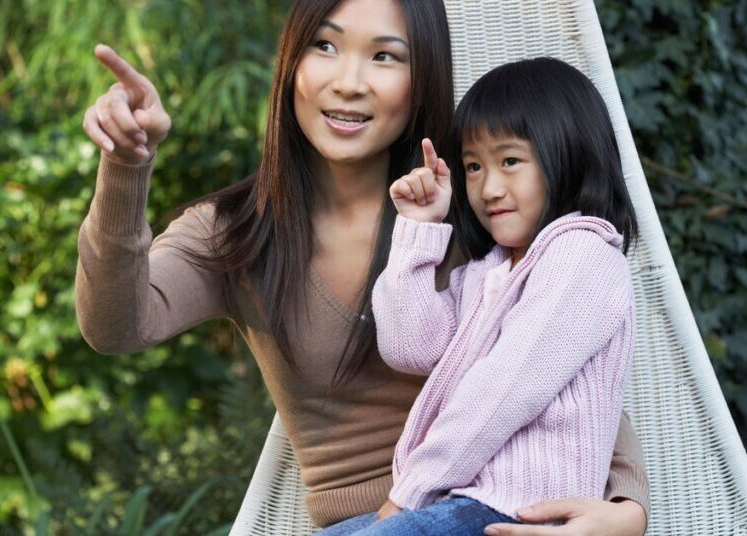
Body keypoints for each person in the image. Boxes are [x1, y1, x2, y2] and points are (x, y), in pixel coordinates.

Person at [76, 1, 650, 534]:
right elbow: (114, 326)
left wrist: (627, 512)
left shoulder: (479, 202)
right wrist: (125, 170)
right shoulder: (235, 232)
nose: (348, 83)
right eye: (325, 47)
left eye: (384, 56)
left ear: (420, 77)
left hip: (500, 511)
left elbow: (555, 364)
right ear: (291, 66)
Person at [318, 56, 638, 535]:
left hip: (519, 511)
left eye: (510, 161)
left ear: (568, 153)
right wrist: (416, 231)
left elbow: (503, 389)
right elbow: (410, 348)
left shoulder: (583, 255)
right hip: (458, 502)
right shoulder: (486, 273)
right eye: (473, 166)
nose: (488, 187)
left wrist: (408, 496)